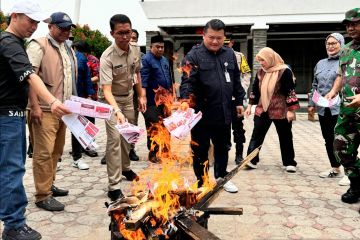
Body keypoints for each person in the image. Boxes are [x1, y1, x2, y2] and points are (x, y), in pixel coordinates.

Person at [0, 1, 70, 239]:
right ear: (16, 16)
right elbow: (30, 75)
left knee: (9, 169)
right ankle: (14, 226)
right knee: (12, 171)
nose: (34, 26)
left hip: (11, 115)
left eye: (37, 22)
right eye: (31, 21)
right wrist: (51, 101)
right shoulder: (10, 43)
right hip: (8, 117)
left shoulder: (12, 43)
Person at [180, 19, 245, 193]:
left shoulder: (229, 54)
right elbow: (187, 82)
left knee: (223, 147)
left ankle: (221, 178)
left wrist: (239, 101)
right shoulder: (193, 56)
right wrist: (185, 100)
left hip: (224, 111)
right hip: (201, 113)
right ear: (204, 35)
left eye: (219, 38)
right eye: (211, 37)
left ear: (224, 37)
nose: (215, 41)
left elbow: (236, 79)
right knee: (200, 150)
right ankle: (202, 182)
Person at [26, 12, 77, 211]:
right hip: (44, 109)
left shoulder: (67, 47)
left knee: (56, 151)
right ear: (50, 27)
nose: (66, 31)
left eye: (68, 28)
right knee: (43, 153)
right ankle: (42, 195)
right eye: (62, 27)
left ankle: (49, 184)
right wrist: (35, 106)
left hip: (63, 110)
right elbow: (29, 76)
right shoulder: (38, 45)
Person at [99, 14, 146, 201]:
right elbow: (106, 90)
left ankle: (126, 168)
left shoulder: (135, 49)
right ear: (112, 33)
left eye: (128, 32)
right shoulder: (107, 57)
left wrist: (141, 95)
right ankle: (114, 185)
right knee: (114, 141)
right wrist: (117, 111)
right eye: (120, 33)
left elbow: (137, 74)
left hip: (129, 98)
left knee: (129, 137)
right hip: (111, 102)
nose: (125, 37)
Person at [325, 8, 360, 211]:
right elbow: (341, 75)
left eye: (355, 23)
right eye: (348, 24)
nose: (350, 27)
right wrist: (332, 92)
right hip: (348, 111)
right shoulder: (346, 49)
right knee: (340, 147)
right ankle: (356, 184)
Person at [245, 47, 300, 172]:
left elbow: (290, 91)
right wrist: (249, 106)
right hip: (262, 108)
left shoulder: (284, 71)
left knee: (285, 136)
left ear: (270, 58)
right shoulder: (261, 72)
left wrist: (291, 110)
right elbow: (255, 89)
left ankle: (289, 162)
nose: (261, 63)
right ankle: (251, 160)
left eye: (263, 60)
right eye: (259, 61)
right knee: (257, 135)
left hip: (280, 109)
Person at [308, 33, 350, 186]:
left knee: (343, 140)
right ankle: (335, 168)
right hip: (323, 108)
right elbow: (314, 85)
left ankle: (349, 171)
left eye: (334, 43)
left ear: (341, 44)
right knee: (328, 139)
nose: (330, 46)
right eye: (328, 43)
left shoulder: (347, 62)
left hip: (341, 108)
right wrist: (312, 104)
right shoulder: (320, 63)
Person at [141, 34, 173, 162]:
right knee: (154, 126)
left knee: (167, 126)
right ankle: (153, 153)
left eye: (162, 47)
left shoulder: (164, 60)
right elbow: (143, 80)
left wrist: (172, 96)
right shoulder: (146, 60)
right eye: (157, 47)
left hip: (165, 100)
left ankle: (166, 152)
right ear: (151, 47)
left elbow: (169, 79)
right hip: (151, 101)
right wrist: (142, 97)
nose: (160, 49)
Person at [224, 33, 251, 165]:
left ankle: (239, 154)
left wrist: (242, 89)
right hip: (222, 99)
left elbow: (247, 73)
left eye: (227, 41)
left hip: (236, 99)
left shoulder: (240, 56)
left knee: (238, 128)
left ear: (232, 42)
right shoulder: (215, 55)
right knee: (223, 127)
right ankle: (224, 151)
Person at [69, 40, 96, 170]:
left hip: (77, 98)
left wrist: (89, 95)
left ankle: (77, 157)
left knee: (77, 126)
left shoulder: (80, 58)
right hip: (60, 98)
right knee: (57, 129)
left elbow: (86, 77)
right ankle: (56, 159)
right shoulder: (59, 54)